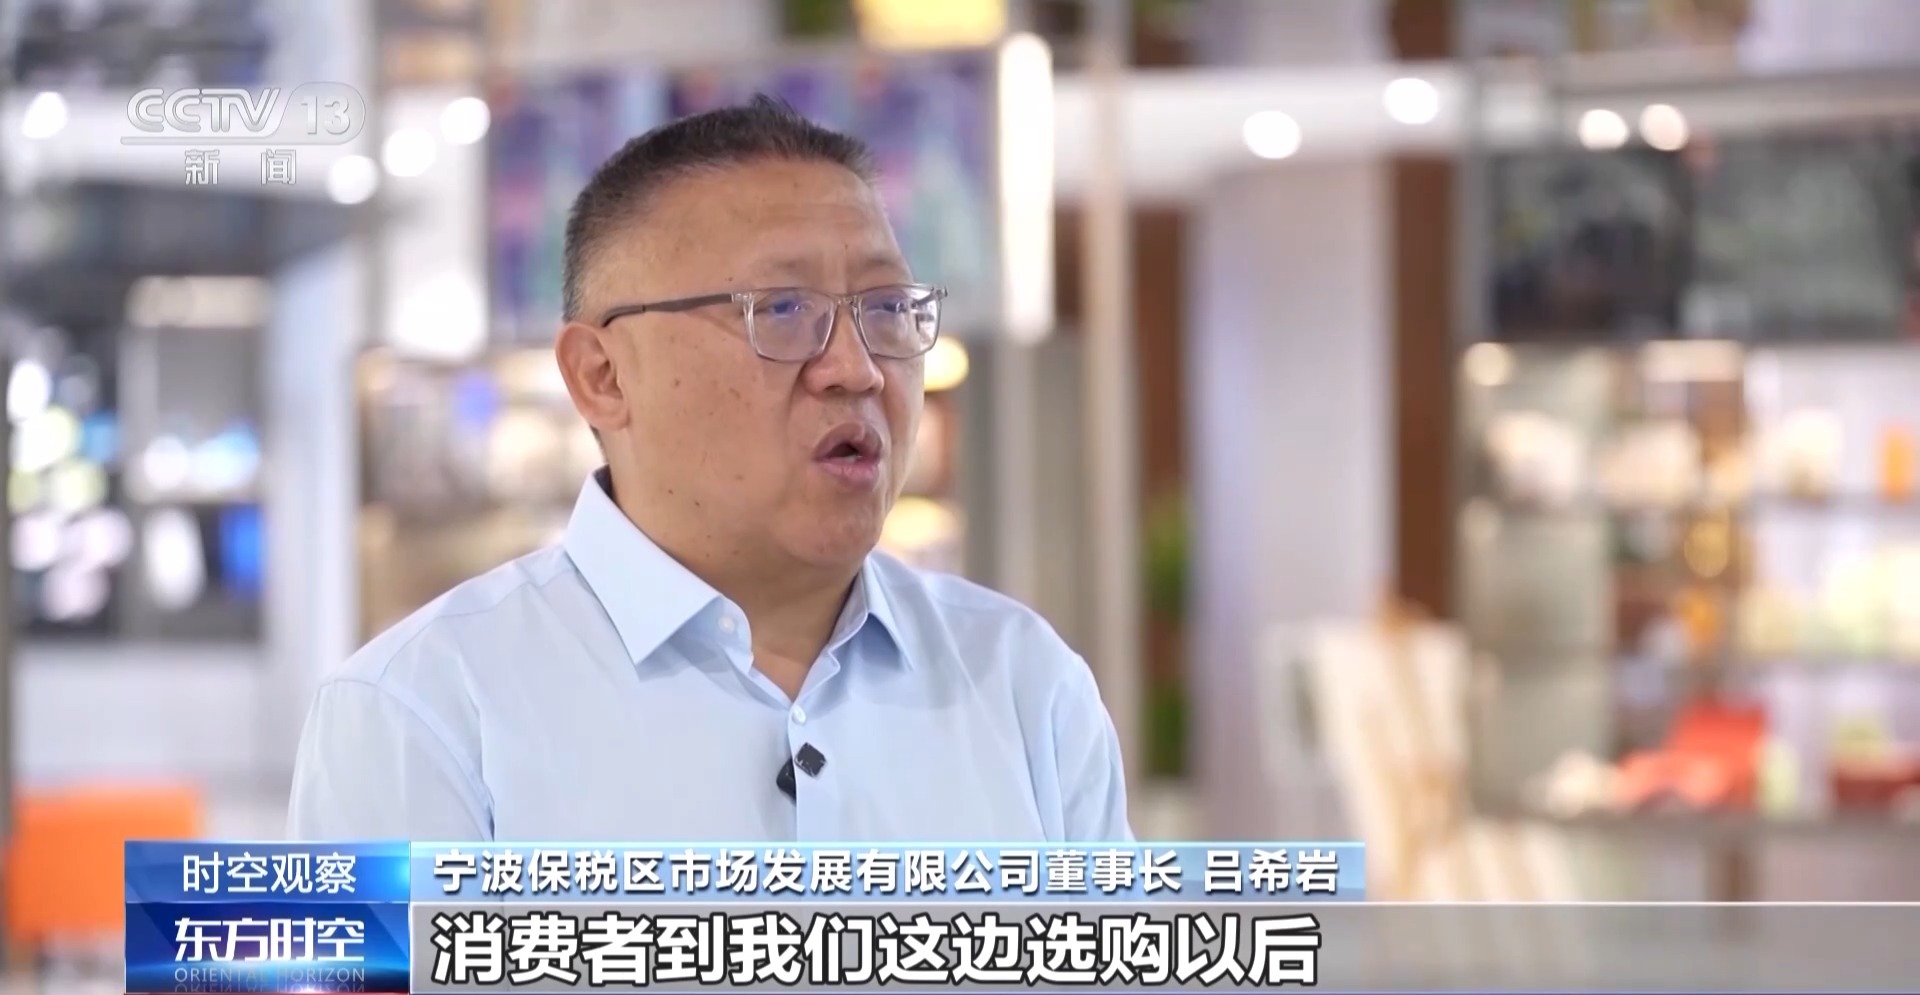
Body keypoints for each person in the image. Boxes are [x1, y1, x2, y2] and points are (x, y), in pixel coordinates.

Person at [287, 96, 1132, 842]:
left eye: (885, 308)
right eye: (784, 309)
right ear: (602, 375)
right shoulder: (419, 712)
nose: (858, 368)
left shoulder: (1025, 684)